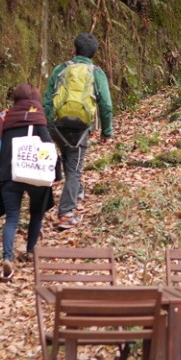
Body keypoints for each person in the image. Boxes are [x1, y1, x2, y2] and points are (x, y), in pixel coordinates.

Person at [0, 83, 58, 282]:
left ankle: (8, 258)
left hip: (9, 174)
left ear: (16, 99)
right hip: (35, 173)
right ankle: (31, 250)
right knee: (36, 212)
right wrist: (56, 171)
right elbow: (49, 146)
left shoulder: (5, 118)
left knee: (12, 217)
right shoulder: (38, 118)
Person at [43, 32, 113, 230]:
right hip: (81, 129)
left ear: (74, 49)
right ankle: (66, 214)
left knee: (67, 156)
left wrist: (46, 126)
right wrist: (106, 132)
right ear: (93, 53)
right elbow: (106, 105)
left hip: (57, 127)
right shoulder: (96, 72)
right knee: (74, 169)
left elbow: (48, 100)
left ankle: (77, 193)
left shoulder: (60, 69)